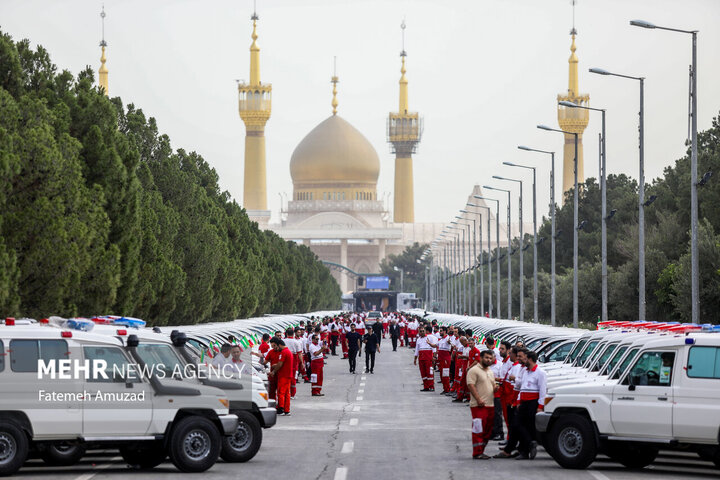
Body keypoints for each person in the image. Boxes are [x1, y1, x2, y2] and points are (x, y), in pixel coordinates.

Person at [467, 350, 498, 459]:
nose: (489, 360)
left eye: (490, 358)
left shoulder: (490, 371)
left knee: (488, 430)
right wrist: (478, 399)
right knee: (478, 429)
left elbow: (493, 385)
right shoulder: (474, 370)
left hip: (490, 405)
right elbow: (471, 385)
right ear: (480, 358)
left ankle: (482, 450)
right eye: (486, 358)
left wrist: (496, 388)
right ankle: (477, 452)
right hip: (478, 406)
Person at [514, 350, 546, 459]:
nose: (524, 360)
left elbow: (542, 390)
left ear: (530, 359)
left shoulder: (540, 373)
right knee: (517, 425)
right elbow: (522, 387)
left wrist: (540, 406)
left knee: (528, 426)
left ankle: (525, 451)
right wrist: (519, 401)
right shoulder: (525, 371)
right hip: (523, 401)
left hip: (532, 402)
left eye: (526, 358)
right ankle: (530, 442)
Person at [268, 338, 293, 415]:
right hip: (287, 375)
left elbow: (280, 364)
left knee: (281, 393)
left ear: (280, 345)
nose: (276, 348)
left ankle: (281, 408)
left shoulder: (284, 352)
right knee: (287, 393)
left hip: (283, 375)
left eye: (276, 346)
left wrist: (273, 371)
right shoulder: (288, 352)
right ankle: (286, 409)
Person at [414, 327, 437, 391]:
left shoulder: (430, 338)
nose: (422, 332)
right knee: (423, 372)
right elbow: (417, 350)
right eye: (420, 331)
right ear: (419, 332)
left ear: (425, 331)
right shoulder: (418, 339)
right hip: (421, 357)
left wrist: (434, 356)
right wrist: (415, 359)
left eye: (423, 331)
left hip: (428, 356)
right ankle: (426, 386)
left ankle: (431, 386)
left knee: (429, 372)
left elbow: (434, 348)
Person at [436, 327, 452, 394]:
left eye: (441, 331)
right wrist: (429, 343)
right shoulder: (441, 339)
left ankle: (447, 389)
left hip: (445, 359)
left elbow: (450, 343)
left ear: (445, 331)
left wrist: (449, 342)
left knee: (445, 375)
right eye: (440, 331)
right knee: (442, 375)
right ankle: (445, 388)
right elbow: (435, 345)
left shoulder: (448, 338)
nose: (440, 332)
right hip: (441, 359)